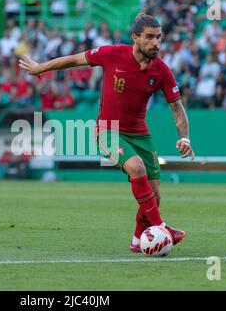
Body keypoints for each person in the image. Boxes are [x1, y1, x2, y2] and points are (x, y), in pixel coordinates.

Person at [19, 13, 195, 252]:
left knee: (155, 195)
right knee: (136, 168)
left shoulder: (162, 71)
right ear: (135, 37)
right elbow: (73, 60)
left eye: (159, 37)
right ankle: (162, 228)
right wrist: (41, 67)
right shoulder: (112, 54)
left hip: (140, 133)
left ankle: (137, 239)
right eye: (150, 37)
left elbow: (177, 107)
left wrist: (184, 137)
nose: (156, 43)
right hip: (108, 129)